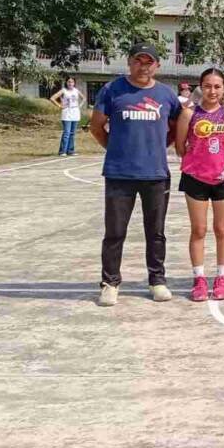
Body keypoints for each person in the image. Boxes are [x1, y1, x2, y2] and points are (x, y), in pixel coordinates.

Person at [88, 43, 182, 306]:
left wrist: (159, 146)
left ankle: (157, 280)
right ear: (129, 62)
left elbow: (176, 127)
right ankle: (110, 283)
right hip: (120, 173)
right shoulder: (112, 90)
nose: (143, 67)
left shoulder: (166, 95)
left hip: (155, 173)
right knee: (115, 231)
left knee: (156, 232)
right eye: (138, 61)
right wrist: (115, 148)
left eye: (149, 62)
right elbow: (96, 127)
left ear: (157, 66)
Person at [174, 68, 224, 302]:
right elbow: (180, 146)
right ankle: (199, 278)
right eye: (208, 86)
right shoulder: (189, 114)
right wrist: (198, 160)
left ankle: (222, 277)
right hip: (195, 178)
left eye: (217, 86)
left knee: (222, 229)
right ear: (201, 87)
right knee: (199, 229)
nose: (212, 91)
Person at [49, 76, 82, 156]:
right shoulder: (63, 91)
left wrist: (79, 105)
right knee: (67, 133)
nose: (70, 83)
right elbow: (52, 98)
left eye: (72, 82)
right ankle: (62, 151)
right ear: (66, 83)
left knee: (72, 133)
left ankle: (70, 150)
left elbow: (84, 98)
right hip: (67, 113)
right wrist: (60, 106)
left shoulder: (76, 90)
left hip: (75, 113)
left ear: (74, 83)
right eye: (69, 82)